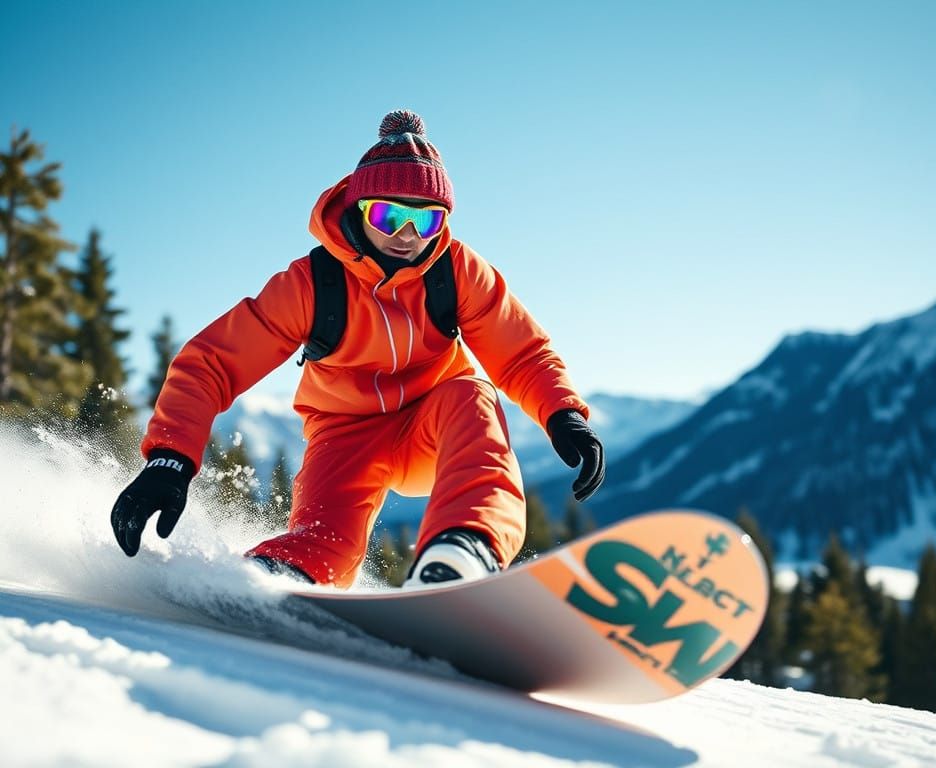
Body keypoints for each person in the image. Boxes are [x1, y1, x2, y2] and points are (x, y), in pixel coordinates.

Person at [110, 110, 605, 588]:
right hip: (344, 435)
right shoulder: (312, 284)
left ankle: (463, 549)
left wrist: (563, 413)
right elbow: (212, 363)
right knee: (327, 543)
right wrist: (169, 459)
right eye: (389, 216)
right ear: (358, 209)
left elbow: (520, 352)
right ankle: (271, 579)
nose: (407, 237)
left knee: (472, 394)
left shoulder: (456, 272)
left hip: (432, 422)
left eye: (426, 222)